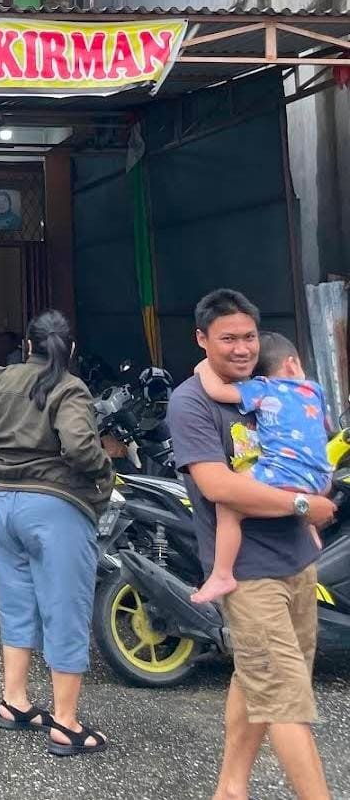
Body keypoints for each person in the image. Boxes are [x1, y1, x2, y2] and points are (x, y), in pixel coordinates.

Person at [167, 288, 336, 800]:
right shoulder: (192, 402)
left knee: (257, 678)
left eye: (248, 337)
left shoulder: (272, 386)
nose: (241, 348)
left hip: (299, 562)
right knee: (285, 700)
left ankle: (231, 788)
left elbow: (317, 454)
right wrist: (303, 505)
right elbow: (218, 487)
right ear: (202, 339)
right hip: (249, 572)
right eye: (228, 339)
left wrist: (310, 495)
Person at [0, 309, 113, 758]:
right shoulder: (69, 386)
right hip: (56, 508)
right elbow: (79, 446)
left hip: (6, 506)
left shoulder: (1, 378)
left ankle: (15, 701)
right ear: (70, 349)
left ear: (26, 346)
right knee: (65, 609)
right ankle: (66, 722)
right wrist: (104, 470)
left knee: (17, 604)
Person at [191, 332, 331, 605]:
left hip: (283, 471)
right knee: (296, 496)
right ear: (292, 363)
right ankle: (310, 533)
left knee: (229, 501)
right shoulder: (314, 390)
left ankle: (222, 574)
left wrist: (204, 368)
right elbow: (323, 426)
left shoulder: (263, 388)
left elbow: (217, 391)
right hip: (319, 475)